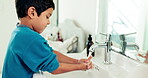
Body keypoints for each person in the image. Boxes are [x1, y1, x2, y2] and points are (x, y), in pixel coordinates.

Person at [2, 0, 93, 78]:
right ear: (32, 12)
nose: (48, 22)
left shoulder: (19, 31)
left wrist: (76, 61)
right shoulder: (31, 38)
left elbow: (50, 53)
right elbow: (54, 68)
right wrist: (81, 67)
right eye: (47, 16)